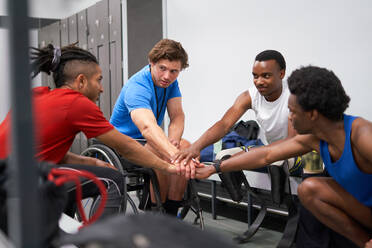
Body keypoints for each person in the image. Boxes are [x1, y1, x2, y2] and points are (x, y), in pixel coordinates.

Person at [195, 65, 372, 248]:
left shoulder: (363, 135)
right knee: (309, 189)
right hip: (362, 211)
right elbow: (267, 154)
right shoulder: (314, 139)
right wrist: (214, 168)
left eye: (293, 112)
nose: (290, 117)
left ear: (312, 114)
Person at [0, 44, 184, 219]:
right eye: (99, 80)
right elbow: (127, 147)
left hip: (9, 179)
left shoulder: (37, 94)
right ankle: (95, 241)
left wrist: (91, 161)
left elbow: (49, 154)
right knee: (113, 180)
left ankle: (59, 231)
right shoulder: (76, 103)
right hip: (18, 187)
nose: (102, 88)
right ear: (81, 81)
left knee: (75, 178)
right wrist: (167, 166)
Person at [110, 39, 194, 215]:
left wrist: (174, 141)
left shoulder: (171, 83)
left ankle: (170, 211)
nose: (167, 76)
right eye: (162, 68)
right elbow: (147, 128)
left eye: (174, 71)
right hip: (123, 144)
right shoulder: (137, 86)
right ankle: (156, 211)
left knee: (186, 147)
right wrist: (172, 153)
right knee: (162, 152)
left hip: (147, 141)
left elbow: (177, 115)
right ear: (152, 63)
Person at [173, 50, 296, 165]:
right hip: (269, 149)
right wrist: (195, 148)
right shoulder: (250, 96)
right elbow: (224, 125)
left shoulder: (294, 96)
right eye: (255, 76)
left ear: (281, 73)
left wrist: (256, 153)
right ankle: (237, 189)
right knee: (223, 157)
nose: (259, 81)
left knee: (277, 161)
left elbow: (291, 141)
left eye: (266, 76)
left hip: (296, 150)